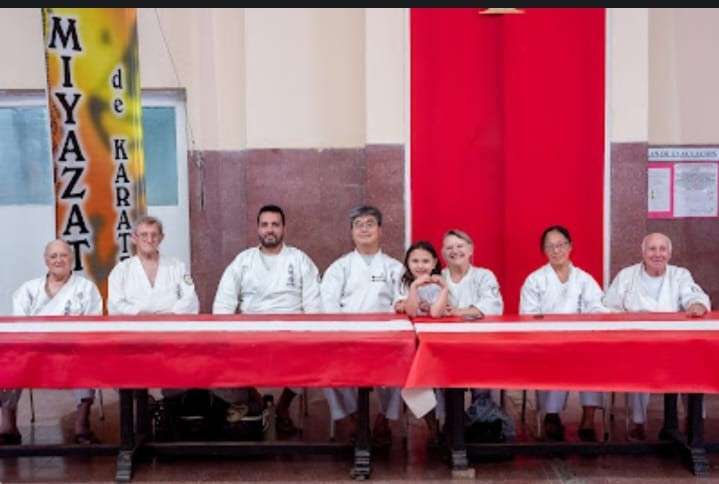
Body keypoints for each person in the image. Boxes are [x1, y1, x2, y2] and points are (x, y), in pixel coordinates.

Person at [213, 204, 322, 437]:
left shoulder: (300, 260)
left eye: (275, 224)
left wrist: (310, 333)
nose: (269, 229)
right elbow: (224, 302)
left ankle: (283, 406)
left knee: (312, 355)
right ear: (258, 228)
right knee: (217, 357)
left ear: (284, 228)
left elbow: (314, 304)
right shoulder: (243, 261)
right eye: (265, 225)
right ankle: (252, 396)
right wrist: (225, 332)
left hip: (292, 331)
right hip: (250, 331)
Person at [603, 232, 710, 441]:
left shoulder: (680, 275)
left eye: (662, 249)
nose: (657, 254)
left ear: (669, 253)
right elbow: (608, 307)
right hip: (637, 343)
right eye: (652, 249)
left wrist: (697, 304)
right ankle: (638, 422)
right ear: (643, 253)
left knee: (693, 365)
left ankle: (694, 422)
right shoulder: (626, 276)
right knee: (636, 365)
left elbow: (694, 295)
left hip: (675, 345)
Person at [320, 205, 404, 446]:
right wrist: (344, 335)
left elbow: (401, 302)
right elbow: (328, 305)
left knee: (405, 361)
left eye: (370, 224)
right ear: (351, 232)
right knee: (325, 364)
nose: (364, 229)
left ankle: (384, 419)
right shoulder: (339, 268)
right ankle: (353, 419)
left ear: (380, 230)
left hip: (385, 339)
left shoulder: (395, 268)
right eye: (358, 225)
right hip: (346, 338)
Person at [7, 239, 103, 445]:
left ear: (72, 259)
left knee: (89, 358)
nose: (59, 260)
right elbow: (20, 326)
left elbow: (92, 324)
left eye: (63, 255)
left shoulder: (86, 288)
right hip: (34, 351)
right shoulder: (28, 289)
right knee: (7, 359)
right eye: (53, 256)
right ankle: (8, 425)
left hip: (72, 350)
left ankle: (82, 424)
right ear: (46, 260)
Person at [519, 225, 607, 442]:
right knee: (553, 356)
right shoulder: (535, 280)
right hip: (547, 341)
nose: (556, 250)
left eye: (560, 245)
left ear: (570, 246)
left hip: (581, 341)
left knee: (594, 357)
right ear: (544, 250)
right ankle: (551, 415)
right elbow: (528, 316)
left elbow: (598, 309)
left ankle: (588, 419)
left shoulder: (584, 279)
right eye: (550, 246)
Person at [107, 215, 200, 401]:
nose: (149, 239)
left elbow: (190, 299)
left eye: (154, 235)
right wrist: (139, 314)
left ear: (161, 238)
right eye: (144, 235)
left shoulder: (177, 266)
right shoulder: (121, 270)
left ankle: (172, 403)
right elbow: (115, 304)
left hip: (171, 332)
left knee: (186, 367)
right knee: (118, 363)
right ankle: (140, 401)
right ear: (134, 238)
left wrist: (171, 316)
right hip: (134, 334)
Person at [440, 229, 513, 441]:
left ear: (471, 249)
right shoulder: (438, 277)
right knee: (439, 373)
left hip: (481, 344)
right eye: (449, 247)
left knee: (482, 372)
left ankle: (481, 420)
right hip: (445, 345)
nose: (455, 251)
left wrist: (456, 312)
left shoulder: (484, 275)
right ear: (443, 253)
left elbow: (492, 307)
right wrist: (467, 312)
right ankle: (451, 422)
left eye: (460, 246)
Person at [394, 240, 448, 442]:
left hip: (434, 340)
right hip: (408, 341)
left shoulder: (439, 283)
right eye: (415, 261)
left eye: (425, 261)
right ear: (407, 263)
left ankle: (447, 423)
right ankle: (432, 425)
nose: (420, 265)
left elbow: (435, 313)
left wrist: (444, 289)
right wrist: (415, 287)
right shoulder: (403, 283)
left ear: (434, 262)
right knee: (416, 380)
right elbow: (410, 310)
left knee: (440, 377)